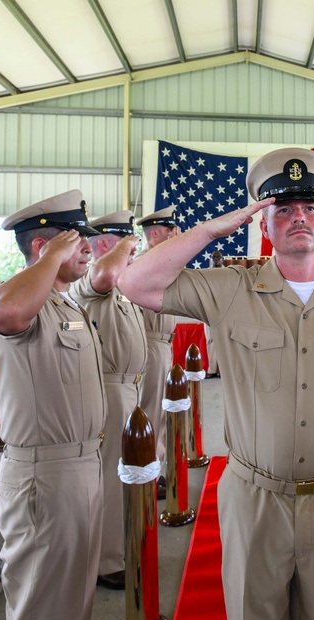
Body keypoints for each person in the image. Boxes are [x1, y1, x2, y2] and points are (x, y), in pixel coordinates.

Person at [119, 147, 314, 620]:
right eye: (283, 209)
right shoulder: (229, 290)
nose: (299, 216)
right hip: (254, 498)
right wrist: (211, 229)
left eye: (309, 208)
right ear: (264, 226)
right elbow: (135, 282)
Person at [0, 190, 105, 620]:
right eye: (76, 241)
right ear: (43, 248)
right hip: (44, 476)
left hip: (81, 467)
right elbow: (7, 313)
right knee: (42, 609)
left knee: (71, 603)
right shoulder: (14, 300)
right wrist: (53, 256)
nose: (87, 251)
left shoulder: (62, 305)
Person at [68, 210, 147, 591]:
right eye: (124, 241)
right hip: (111, 390)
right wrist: (130, 245)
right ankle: (107, 560)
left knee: (126, 473)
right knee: (113, 478)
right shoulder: (93, 280)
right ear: (103, 245)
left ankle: (120, 548)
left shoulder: (120, 285)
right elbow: (104, 274)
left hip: (130, 387)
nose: (133, 248)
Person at [137, 205, 179, 496]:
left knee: (159, 412)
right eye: (170, 231)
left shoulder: (157, 262)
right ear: (155, 234)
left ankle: (153, 467)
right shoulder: (145, 263)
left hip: (162, 343)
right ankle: (145, 475)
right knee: (149, 411)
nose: (176, 235)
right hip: (150, 344)